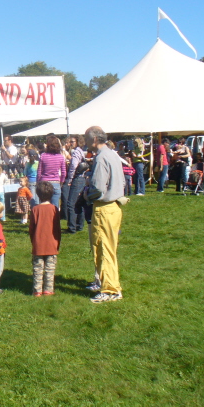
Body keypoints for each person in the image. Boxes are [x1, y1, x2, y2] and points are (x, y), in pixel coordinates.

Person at [85, 126, 125, 303]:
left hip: (105, 207)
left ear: (94, 139)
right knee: (102, 246)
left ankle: (110, 290)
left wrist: (87, 194)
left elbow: (98, 188)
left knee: (105, 248)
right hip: (113, 206)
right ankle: (102, 281)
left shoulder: (101, 158)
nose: (84, 141)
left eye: (86, 138)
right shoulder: (112, 154)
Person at [29, 181, 61, 296]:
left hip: (38, 244)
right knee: (50, 269)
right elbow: (58, 228)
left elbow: (31, 229)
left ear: (37, 194)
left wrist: (33, 241)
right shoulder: (54, 209)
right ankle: (48, 289)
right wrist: (58, 242)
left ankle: (37, 290)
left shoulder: (35, 209)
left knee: (37, 268)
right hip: (52, 243)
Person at [65, 135, 87, 233]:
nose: (70, 143)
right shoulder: (81, 151)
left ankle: (72, 227)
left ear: (78, 142)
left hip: (77, 178)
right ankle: (79, 225)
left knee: (71, 204)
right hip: (82, 178)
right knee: (80, 202)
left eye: (72, 141)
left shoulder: (76, 152)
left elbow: (74, 166)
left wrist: (70, 179)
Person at [38, 135, 66, 209]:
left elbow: (39, 171)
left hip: (44, 183)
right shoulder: (61, 157)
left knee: (43, 207)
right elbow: (63, 172)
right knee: (55, 207)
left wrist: (38, 182)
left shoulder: (43, 156)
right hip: (56, 183)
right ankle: (55, 220)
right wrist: (61, 182)